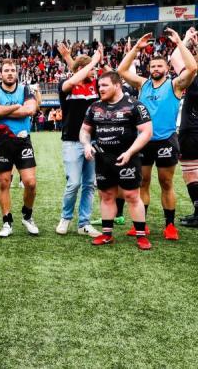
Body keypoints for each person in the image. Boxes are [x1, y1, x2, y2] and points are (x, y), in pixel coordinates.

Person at [117, 29, 197, 240]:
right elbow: (121, 70)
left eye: (160, 65)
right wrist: (136, 48)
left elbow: (192, 67)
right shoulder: (142, 84)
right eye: (152, 66)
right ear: (149, 68)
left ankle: (169, 225)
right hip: (143, 141)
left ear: (168, 68)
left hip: (166, 141)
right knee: (142, 182)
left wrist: (180, 41)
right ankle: (140, 225)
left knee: (166, 182)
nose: (155, 69)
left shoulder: (175, 85)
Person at [80, 71, 153, 249]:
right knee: (106, 195)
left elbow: (147, 132)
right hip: (103, 159)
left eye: (104, 85)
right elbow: (84, 130)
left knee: (131, 195)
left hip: (128, 157)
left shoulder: (135, 105)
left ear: (117, 85)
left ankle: (141, 236)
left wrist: (130, 152)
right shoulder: (94, 107)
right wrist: (86, 145)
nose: (100, 89)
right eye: (99, 86)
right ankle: (107, 235)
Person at [0, 59, 40, 238]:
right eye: (6, 70)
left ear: (16, 73)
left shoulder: (25, 90)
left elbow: (30, 110)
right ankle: (7, 222)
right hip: (2, 142)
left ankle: (27, 215)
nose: (9, 73)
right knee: (4, 182)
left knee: (30, 183)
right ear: (0, 73)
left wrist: (6, 110)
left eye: (12, 70)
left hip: (23, 140)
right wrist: (18, 107)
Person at [55, 46, 103, 237]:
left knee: (89, 184)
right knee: (74, 183)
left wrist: (81, 62)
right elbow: (75, 76)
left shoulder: (96, 85)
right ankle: (65, 218)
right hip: (72, 141)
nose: (92, 72)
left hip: (92, 142)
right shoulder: (67, 85)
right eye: (90, 69)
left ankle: (84, 223)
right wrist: (91, 61)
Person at [172, 28, 198, 227]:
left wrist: (186, 39)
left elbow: (174, 57)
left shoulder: (192, 77)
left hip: (191, 130)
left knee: (190, 172)